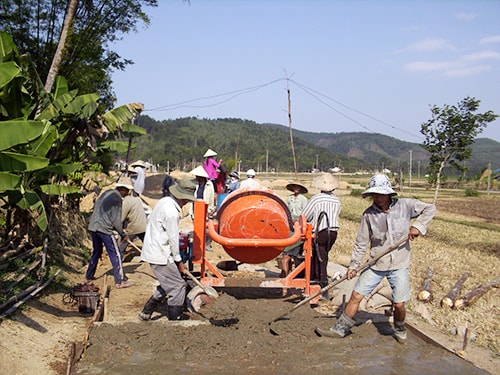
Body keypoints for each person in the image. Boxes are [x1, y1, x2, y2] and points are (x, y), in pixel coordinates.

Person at [315, 173, 436, 342]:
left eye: (381, 194)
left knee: (399, 304)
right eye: (375, 194)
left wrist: (418, 227)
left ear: (388, 193)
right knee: (356, 295)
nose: (378, 198)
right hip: (377, 263)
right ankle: (340, 329)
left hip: (399, 263)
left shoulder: (406, 206)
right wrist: (353, 266)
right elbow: (361, 243)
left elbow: (430, 208)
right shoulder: (369, 215)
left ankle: (400, 329)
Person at [138, 178, 196, 321]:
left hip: (156, 249)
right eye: (186, 200)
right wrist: (179, 262)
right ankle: (174, 319)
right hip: (160, 253)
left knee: (168, 282)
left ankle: (146, 312)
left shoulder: (165, 201)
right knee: (178, 286)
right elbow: (173, 239)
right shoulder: (171, 212)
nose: (187, 203)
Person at [86, 180, 133, 289]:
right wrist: (123, 234)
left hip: (93, 227)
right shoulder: (117, 199)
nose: (127, 193)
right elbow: (116, 220)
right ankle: (120, 281)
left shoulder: (106, 193)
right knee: (116, 254)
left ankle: (89, 276)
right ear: (122, 190)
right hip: (104, 229)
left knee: (96, 252)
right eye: (127, 191)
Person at [301, 173, 342, 296]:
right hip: (333, 232)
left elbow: (305, 215)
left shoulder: (316, 198)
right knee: (324, 256)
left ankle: (321, 286)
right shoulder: (336, 200)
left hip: (321, 231)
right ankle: (317, 281)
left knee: (319, 258)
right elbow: (337, 213)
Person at [280, 182, 308, 277]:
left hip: (299, 225)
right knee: (286, 253)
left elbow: (305, 213)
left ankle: (294, 275)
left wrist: (299, 220)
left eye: (298, 187)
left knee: (295, 254)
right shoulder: (290, 198)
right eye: (295, 187)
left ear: (300, 189)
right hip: (290, 224)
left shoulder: (303, 199)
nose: (296, 189)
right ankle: (285, 274)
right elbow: (288, 210)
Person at [118, 177, 148, 260]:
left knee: (123, 245)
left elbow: (121, 218)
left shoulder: (126, 202)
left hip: (133, 227)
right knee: (147, 243)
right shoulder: (137, 199)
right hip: (143, 225)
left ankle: (119, 259)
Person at [190, 165, 216, 250]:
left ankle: (207, 243)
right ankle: (199, 244)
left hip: (205, 207)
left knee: (206, 227)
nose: (197, 177)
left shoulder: (209, 185)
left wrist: (210, 209)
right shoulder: (194, 183)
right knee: (197, 226)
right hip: (196, 206)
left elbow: (211, 197)